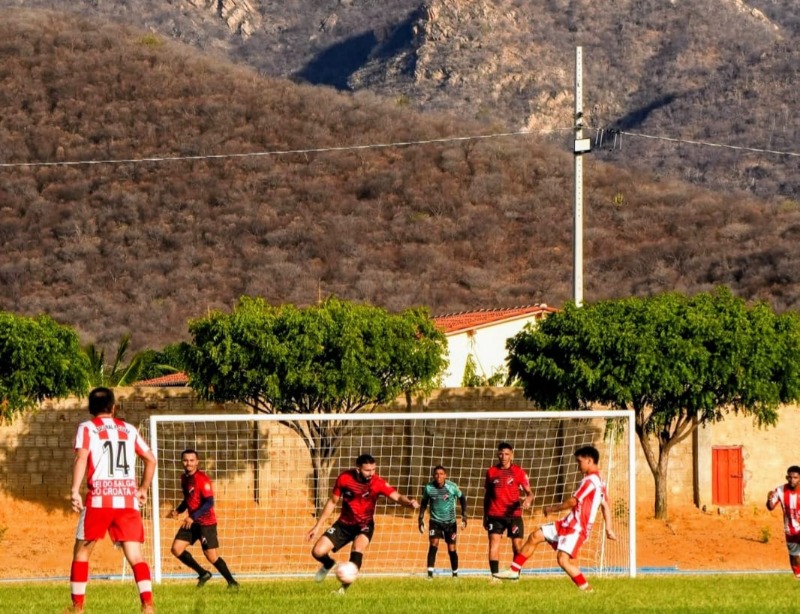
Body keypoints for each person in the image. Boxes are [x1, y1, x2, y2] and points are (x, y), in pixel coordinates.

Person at [66, 387, 157, 614]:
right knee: (135, 555)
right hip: (127, 501)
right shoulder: (129, 429)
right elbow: (151, 459)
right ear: (113, 408)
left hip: (99, 501)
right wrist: (143, 488)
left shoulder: (87, 428)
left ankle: (77, 608)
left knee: (82, 553)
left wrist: (75, 490)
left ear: (90, 409)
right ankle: (147, 605)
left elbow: (82, 457)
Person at [494, 445, 617, 591]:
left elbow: (573, 501)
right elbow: (605, 505)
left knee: (562, 560)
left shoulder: (590, 481)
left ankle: (588, 589)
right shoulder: (600, 481)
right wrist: (608, 528)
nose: (577, 465)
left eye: (579, 461)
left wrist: (552, 509)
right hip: (567, 523)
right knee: (535, 536)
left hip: (576, 528)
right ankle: (514, 571)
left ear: (589, 461)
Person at [306, 453, 420, 593]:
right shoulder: (344, 478)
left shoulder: (377, 482)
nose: (371, 473)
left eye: (373, 469)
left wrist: (408, 502)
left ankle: (342, 590)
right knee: (317, 552)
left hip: (364, 525)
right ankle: (328, 564)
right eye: (367, 470)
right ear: (358, 469)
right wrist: (317, 526)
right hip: (344, 524)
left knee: (357, 549)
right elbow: (332, 502)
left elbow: (396, 496)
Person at [168, 448, 239, 589]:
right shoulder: (184, 478)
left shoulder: (203, 480)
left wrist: (192, 517)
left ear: (197, 462)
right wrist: (178, 510)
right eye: (186, 460)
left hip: (206, 523)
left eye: (192, 460)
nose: (188, 463)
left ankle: (232, 583)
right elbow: (188, 499)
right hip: (192, 522)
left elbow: (209, 502)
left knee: (211, 556)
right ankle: (203, 573)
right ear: (182, 462)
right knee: (176, 549)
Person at [483, 441, 533, 577]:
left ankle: (515, 575)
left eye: (506, 454)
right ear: (497, 455)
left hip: (514, 515)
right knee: (494, 545)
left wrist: (528, 500)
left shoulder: (518, 472)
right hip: (495, 514)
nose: (503, 457)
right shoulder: (491, 472)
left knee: (517, 546)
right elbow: (487, 496)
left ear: (511, 455)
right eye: (500, 454)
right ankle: (494, 576)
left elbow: (530, 493)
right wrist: (485, 516)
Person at [418, 465, 468, 578]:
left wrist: (464, 516)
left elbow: (462, 498)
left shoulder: (452, 487)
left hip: (450, 522)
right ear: (433, 476)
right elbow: (424, 502)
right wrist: (420, 518)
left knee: (452, 548)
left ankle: (455, 575)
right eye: (436, 474)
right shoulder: (429, 487)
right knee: (433, 544)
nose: (439, 476)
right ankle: (430, 575)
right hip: (435, 521)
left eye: (441, 474)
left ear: (445, 475)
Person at [766, 465, 800, 579]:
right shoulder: (780, 490)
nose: (792, 480)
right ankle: (798, 576)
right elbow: (770, 507)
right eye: (790, 477)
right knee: (795, 556)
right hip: (790, 528)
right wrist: (769, 498)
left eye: (795, 477)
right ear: (786, 477)